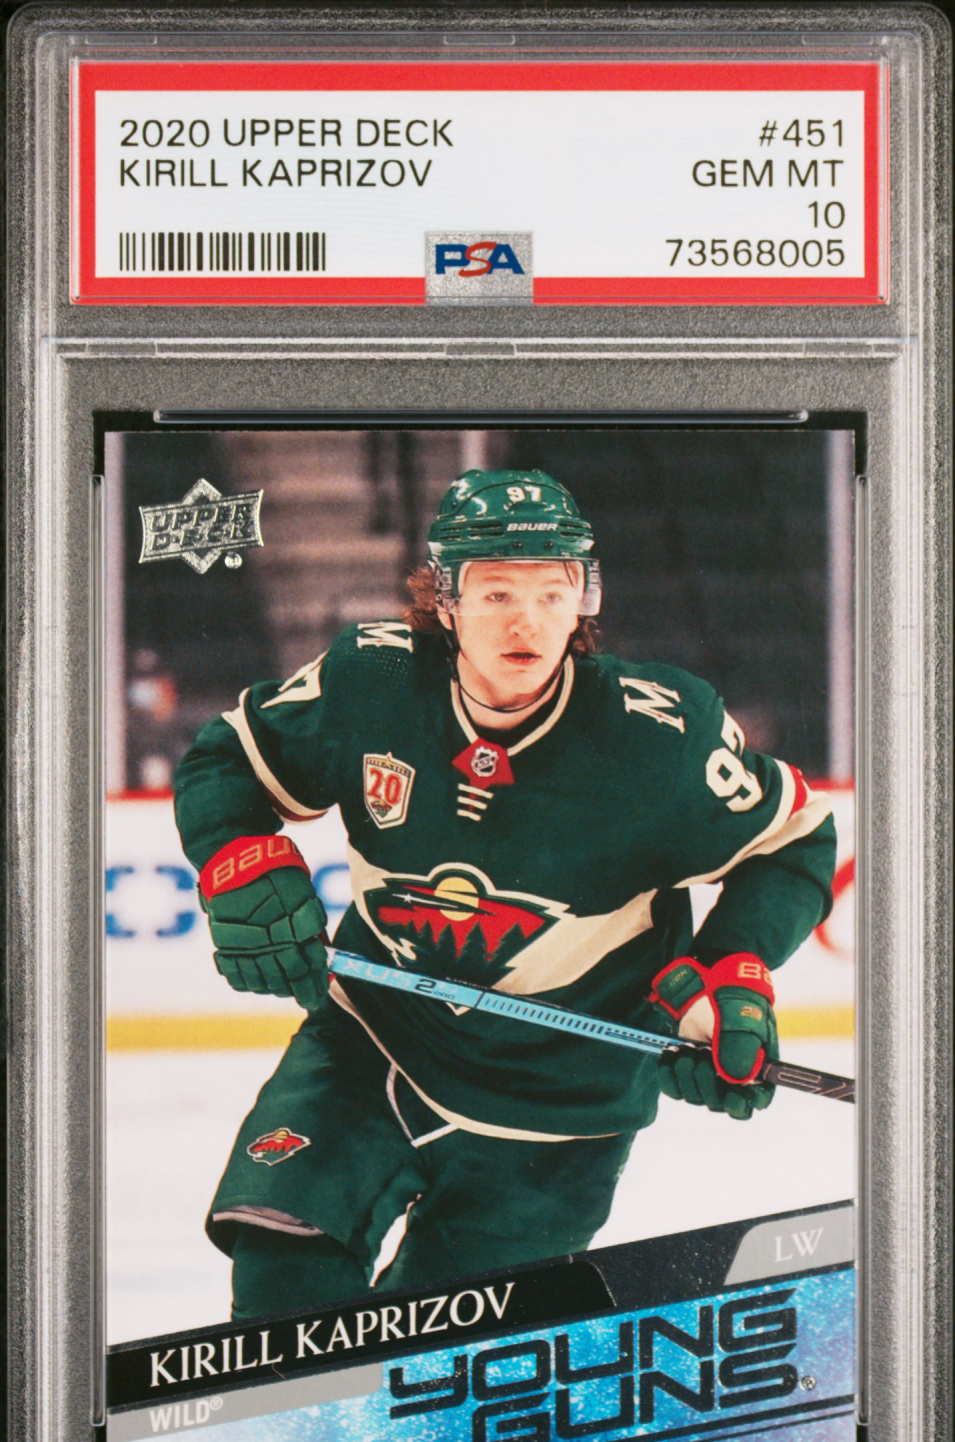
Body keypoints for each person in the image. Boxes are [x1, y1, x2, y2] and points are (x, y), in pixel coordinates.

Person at [173, 468, 836, 1321]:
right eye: (495, 594)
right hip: (375, 1037)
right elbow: (226, 756)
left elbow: (793, 839)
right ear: (444, 600)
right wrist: (237, 857)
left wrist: (729, 968)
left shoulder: (658, 738)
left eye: (550, 593)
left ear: (582, 600)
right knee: (280, 1279)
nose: (525, 621)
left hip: (562, 1107)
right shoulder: (371, 681)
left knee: (437, 1356)